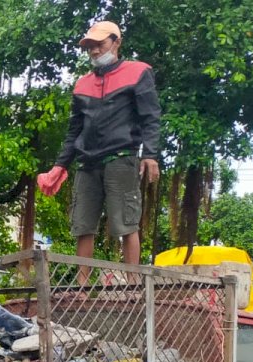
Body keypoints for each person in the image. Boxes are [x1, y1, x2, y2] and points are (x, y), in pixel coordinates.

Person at [37, 20, 161, 276]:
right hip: (87, 163)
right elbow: (74, 131)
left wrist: (150, 155)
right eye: (90, 47)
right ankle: (82, 285)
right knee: (83, 225)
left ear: (117, 41)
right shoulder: (82, 84)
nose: (94, 51)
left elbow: (150, 116)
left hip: (121, 158)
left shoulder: (138, 72)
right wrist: (59, 166)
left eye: (99, 44)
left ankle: (132, 284)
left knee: (126, 224)